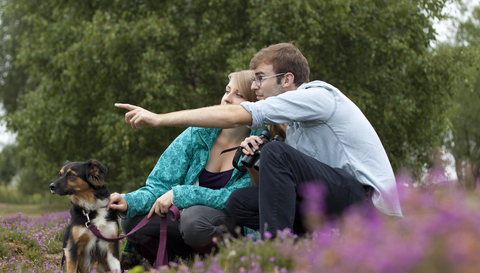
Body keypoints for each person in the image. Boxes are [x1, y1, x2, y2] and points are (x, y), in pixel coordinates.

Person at [115, 43, 403, 239]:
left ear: (287, 79)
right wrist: (254, 162)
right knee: (241, 202)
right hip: (332, 201)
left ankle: (274, 255)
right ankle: (300, 247)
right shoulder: (292, 127)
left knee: (276, 153)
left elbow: (239, 115)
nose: (255, 87)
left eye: (260, 78)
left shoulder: (320, 96)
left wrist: (159, 118)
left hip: (369, 204)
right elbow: (278, 190)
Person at [107, 70, 266, 264]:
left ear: (255, 105)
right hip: (186, 228)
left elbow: (235, 199)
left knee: (194, 219)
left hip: (228, 226)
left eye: (238, 95)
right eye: (227, 91)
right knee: (133, 219)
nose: (227, 99)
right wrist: (128, 200)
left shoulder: (259, 143)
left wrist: (181, 194)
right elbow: (161, 184)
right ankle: (175, 266)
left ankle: (226, 264)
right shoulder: (197, 133)